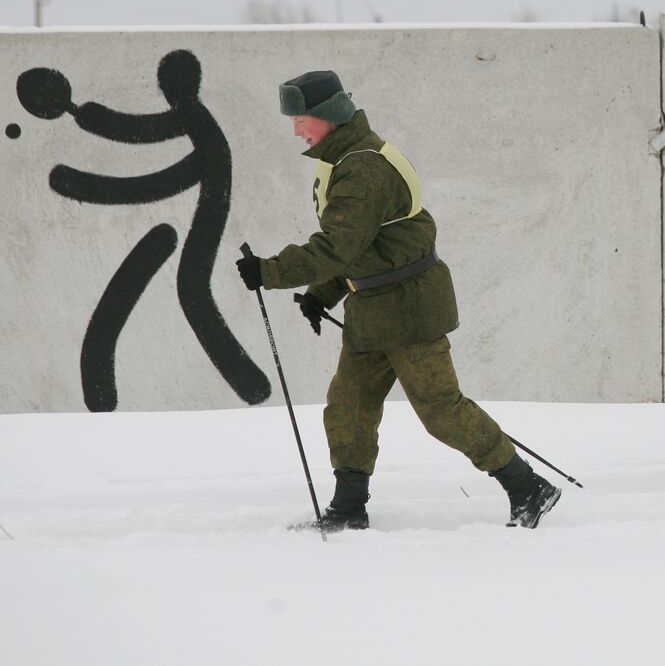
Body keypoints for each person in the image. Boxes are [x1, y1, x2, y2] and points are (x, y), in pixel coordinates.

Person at [236, 70, 560, 530]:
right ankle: (349, 510)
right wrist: (321, 293)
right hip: (372, 310)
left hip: (410, 310)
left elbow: (337, 247)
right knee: (348, 406)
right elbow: (362, 244)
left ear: (327, 115)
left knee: (441, 411)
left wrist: (270, 272)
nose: (296, 129)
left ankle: (528, 488)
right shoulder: (341, 159)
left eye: (302, 118)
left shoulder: (362, 166)